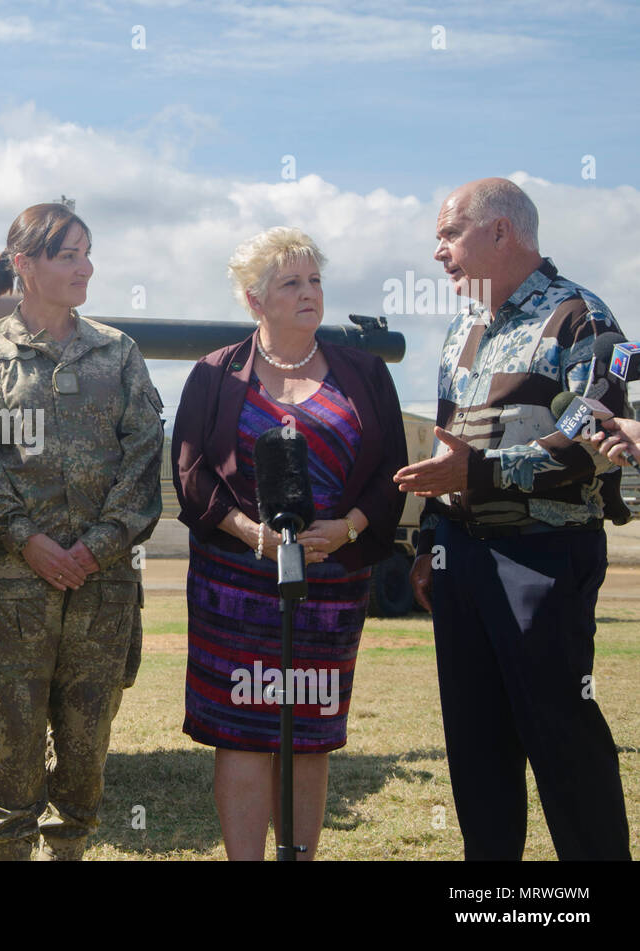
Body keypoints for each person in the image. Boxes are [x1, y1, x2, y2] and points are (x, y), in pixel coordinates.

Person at [395, 177, 631, 860]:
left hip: (543, 558)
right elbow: (448, 450)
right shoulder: (461, 329)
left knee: (561, 739)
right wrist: (428, 544)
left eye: (449, 234)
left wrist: (481, 473)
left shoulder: (581, 317)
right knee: (477, 747)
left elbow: (594, 444)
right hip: (461, 562)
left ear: (500, 231)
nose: (438, 252)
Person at [0, 203, 164, 861]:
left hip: (102, 587)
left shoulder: (117, 355)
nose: (85, 267)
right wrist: (26, 538)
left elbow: (145, 456)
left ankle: (69, 852)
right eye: (68, 254)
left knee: (86, 747)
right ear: (24, 264)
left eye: (88, 253)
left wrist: (98, 545)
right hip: (10, 589)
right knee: (7, 744)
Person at [172, 227, 407, 860]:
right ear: (254, 300)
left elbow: (392, 473)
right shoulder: (215, 374)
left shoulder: (364, 373)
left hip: (331, 583)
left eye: (315, 280)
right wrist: (251, 534)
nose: (309, 293)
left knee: (309, 731)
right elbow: (191, 477)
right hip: (236, 584)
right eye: (291, 283)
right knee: (244, 733)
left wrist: (349, 526)